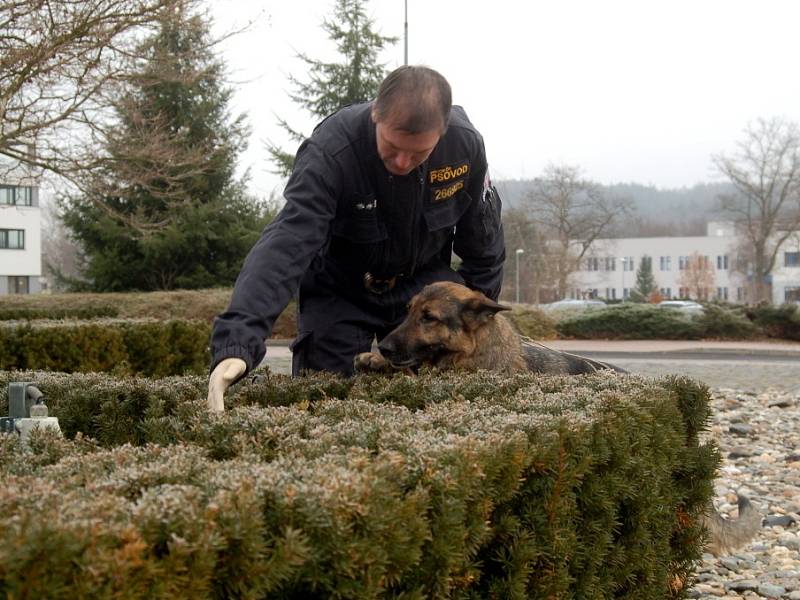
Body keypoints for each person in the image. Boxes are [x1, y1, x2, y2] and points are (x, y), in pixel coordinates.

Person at [207, 65, 505, 411]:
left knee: (431, 409)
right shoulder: (331, 152)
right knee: (323, 404)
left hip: (422, 291)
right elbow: (286, 245)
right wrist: (238, 342)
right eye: (392, 147)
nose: (403, 162)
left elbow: (483, 244)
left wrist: (477, 322)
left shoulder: (465, 146)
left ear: (441, 132)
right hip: (341, 289)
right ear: (376, 113)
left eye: (419, 153)